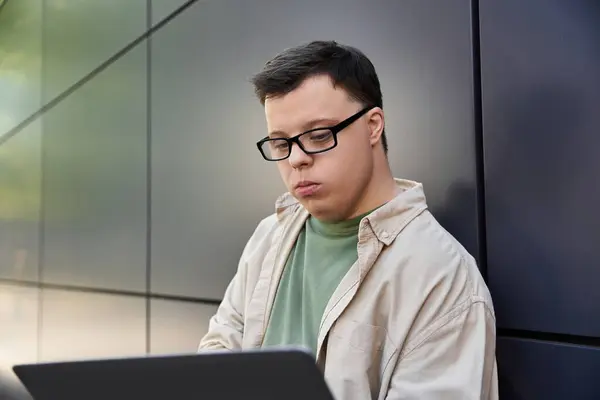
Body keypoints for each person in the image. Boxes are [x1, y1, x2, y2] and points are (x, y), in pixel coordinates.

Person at [199, 40, 498, 400]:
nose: (297, 159)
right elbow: (219, 353)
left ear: (373, 126)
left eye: (319, 136)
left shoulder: (441, 278)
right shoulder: (270, 236)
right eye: (281, 144)